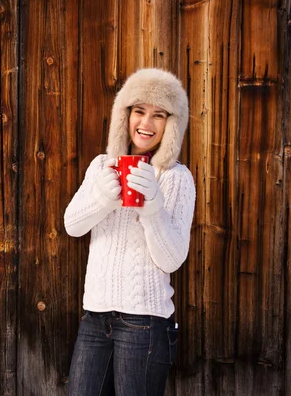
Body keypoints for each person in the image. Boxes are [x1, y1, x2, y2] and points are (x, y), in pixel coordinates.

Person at [64, 68, 196, 396]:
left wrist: (152, 207)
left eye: (159, 115)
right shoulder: (101, 166)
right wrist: (101, 198)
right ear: (125, 114)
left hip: (145, 325)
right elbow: (73, 225)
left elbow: (172, 259)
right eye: (139, 111)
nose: (146, 124)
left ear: (172, 124)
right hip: (95, 319)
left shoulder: (176, 178)